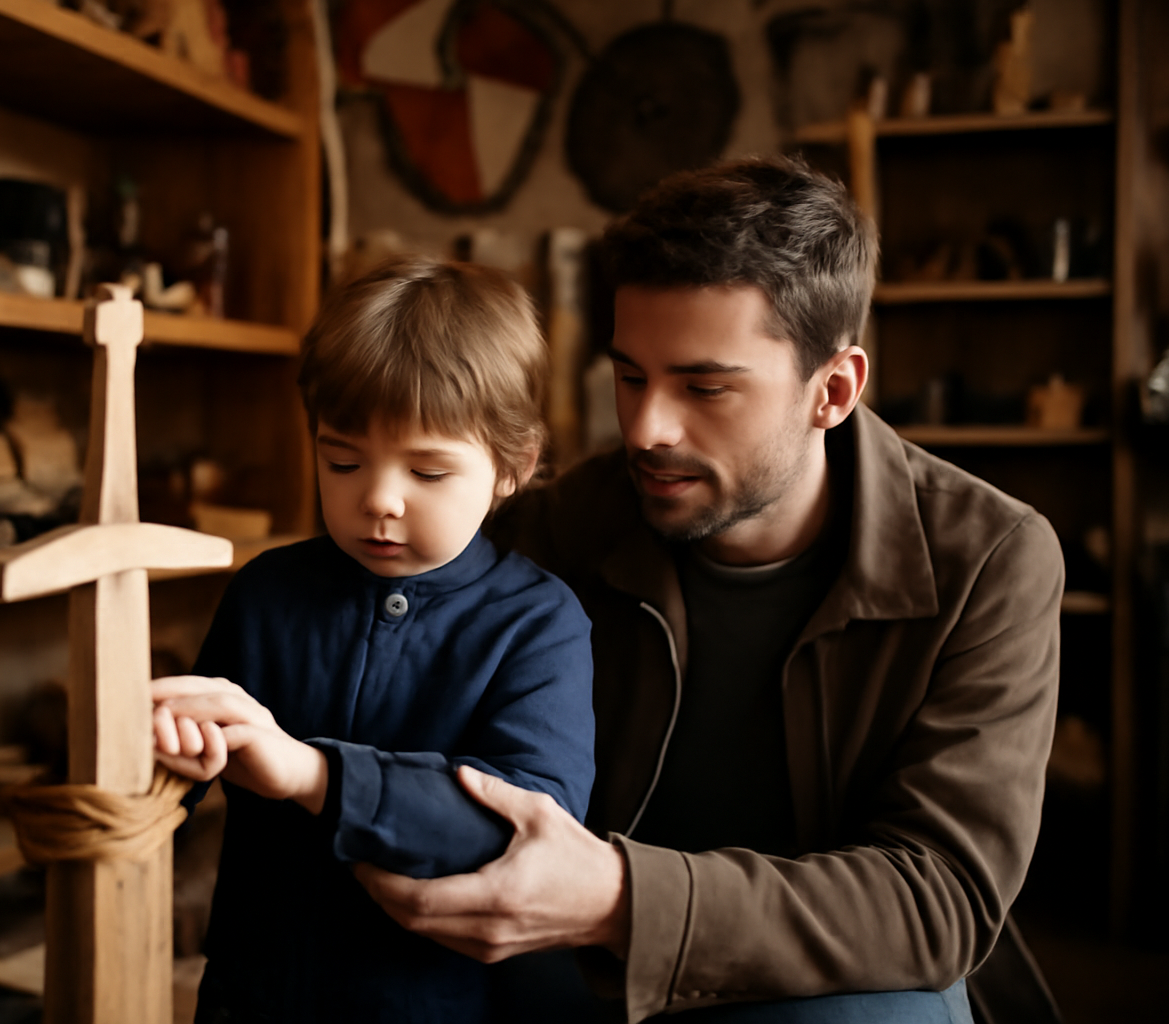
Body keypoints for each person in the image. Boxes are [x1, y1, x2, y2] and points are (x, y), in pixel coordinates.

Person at [355, 157, 1063, 1023]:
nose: (647, 428)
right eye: (630, 376)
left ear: (833, 390)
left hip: (825, 975)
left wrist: (623, 898)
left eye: (705, 387)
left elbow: (937, 899)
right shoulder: (552, 529)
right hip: (579, 963)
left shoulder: (990, 559)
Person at [149, 256, 597, 1023]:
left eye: (428, 472)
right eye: (343, 460)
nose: (380, 498)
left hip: (432, 1005)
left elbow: (525, 825)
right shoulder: (266, 593)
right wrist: (149, 753)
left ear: (512, 468)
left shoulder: (538, 623)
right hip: (253, 994)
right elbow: (177, 781)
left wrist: (313, 774)